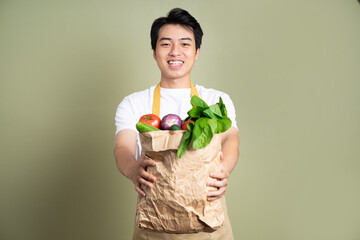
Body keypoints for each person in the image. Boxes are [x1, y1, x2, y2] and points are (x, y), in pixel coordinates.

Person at [114, 8, 239, 240]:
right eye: (165, 44)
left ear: (197, 51)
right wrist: (131, 168)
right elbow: (123, 147)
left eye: (184, 44)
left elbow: (231, 138)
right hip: (154, 223)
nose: (175, 52)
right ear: (154, 52)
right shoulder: (134, 103)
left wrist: (224, 171)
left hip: (208, 222)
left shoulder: (214, 101)